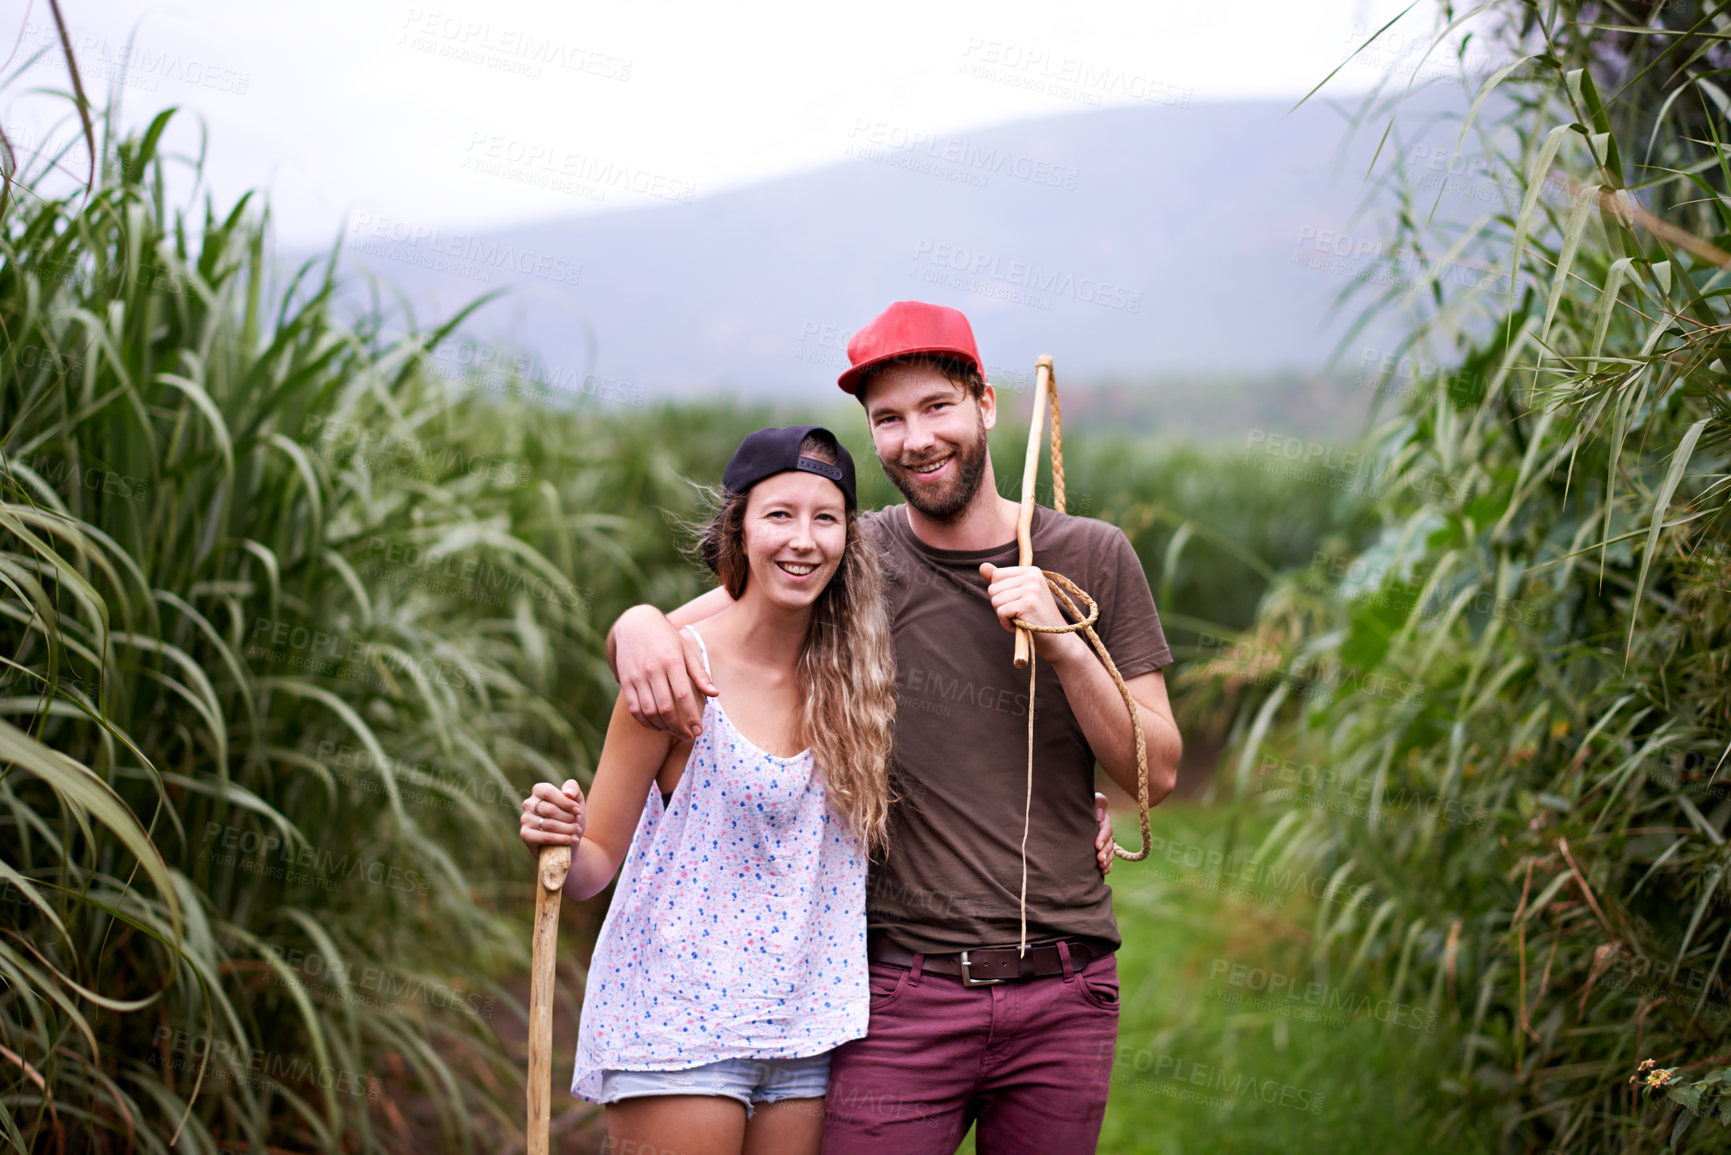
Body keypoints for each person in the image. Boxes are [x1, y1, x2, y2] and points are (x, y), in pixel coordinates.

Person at [607, 300, 1184, 1154]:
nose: (915, 438)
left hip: (1066, 990)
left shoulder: (1092, 555)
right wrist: (635, 621)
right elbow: (693, 632)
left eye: (936, 407)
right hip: (897, 989)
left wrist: (1064, 645)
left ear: (985, 404)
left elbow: (1154, 774)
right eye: (888, 419)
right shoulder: (853, 556)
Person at [518, 425, 897, 1155]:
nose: (803, 539)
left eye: (825, 518)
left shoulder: (858, 678)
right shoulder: (674, 675)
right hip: (676, 1029)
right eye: (778, 514)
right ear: (740, 529)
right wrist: (560, 838)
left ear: (847, 539)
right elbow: (596, 858)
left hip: (802, 1033)